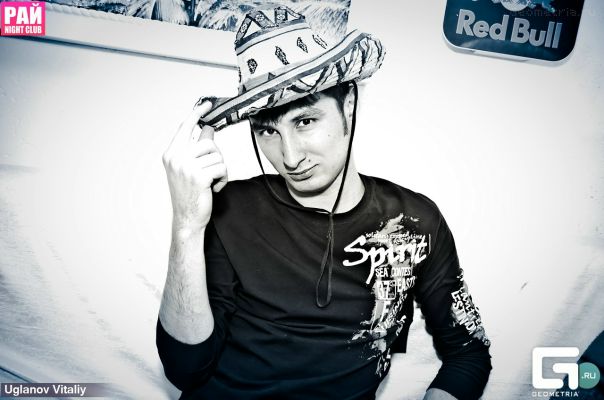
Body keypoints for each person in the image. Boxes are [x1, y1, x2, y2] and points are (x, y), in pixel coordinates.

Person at [156, 6, 492, 400]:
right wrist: (186, 225)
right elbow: (186, 369)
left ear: (348, 104)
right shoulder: (230, 209)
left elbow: (468, 353)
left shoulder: (414, 222)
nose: (290, 157)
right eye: (267, 131)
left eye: (305, 121)